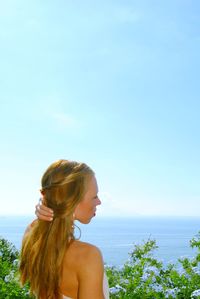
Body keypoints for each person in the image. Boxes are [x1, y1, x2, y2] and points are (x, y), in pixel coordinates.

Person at [20, 159, 109, 299]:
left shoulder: (31, 234)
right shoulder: (88, 256)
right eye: (95, 196)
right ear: (73, 201)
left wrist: (48, 205)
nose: (99, 201)